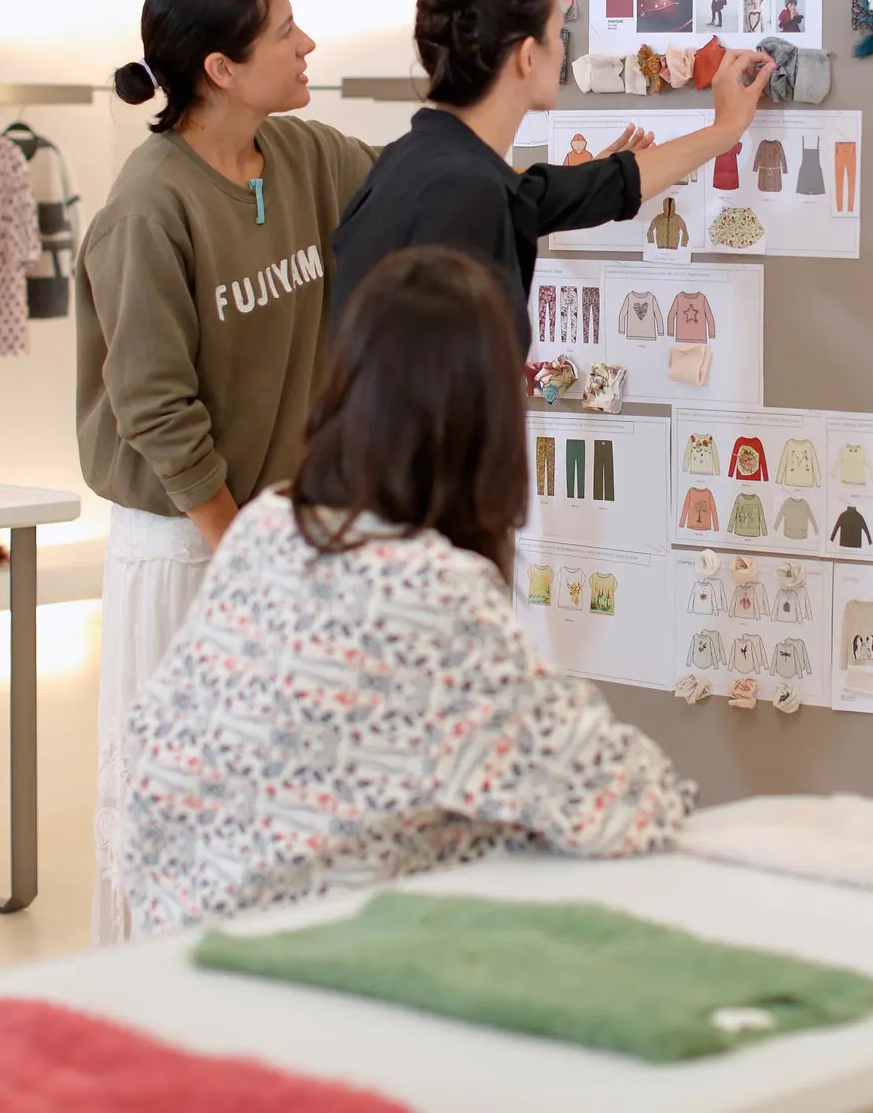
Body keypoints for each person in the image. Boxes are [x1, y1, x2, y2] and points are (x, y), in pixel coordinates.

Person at [114, 248, 693, 937]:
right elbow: (630, 802)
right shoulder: (435, 592)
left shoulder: (267, 525)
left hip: (178, 944)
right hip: (310, 980)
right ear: (490, 422)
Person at [75, 0, 379, 944]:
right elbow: (153, 403)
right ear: (219, 68)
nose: (307, 46)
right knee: (173, 800)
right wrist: (235, 541)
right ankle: (140, 1030)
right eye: (285, 29)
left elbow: (419, 190)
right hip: (183, 536)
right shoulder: (148, 207)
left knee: (272, 797)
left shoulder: (301, 159)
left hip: (269, 532)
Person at [330, 0, 772, 350]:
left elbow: (590, 188)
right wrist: (726, 128)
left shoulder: (419, 164)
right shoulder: (466, 195)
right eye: (558, 34)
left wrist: (724, 130)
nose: (562, 51)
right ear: (526, 56)